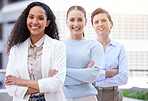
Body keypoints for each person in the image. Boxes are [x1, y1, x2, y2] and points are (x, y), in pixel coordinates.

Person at [4, 2, 67, 101]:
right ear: (26, 20)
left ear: (47, 23)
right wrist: (45, 83)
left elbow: (57, 83)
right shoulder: (16, 50)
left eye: (40, 18)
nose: (35, 22)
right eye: (31, 17)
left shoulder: (58, 46)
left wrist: (21, 82)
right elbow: (10, 88)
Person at [62, 6, 104, 101]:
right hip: (62, 97)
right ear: (66, 22)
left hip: (87, 98)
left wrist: (64, 71)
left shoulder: (95, 46)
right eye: (72, 20)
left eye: (80, 20)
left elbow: (93, 75)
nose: (76, 24)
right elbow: (53, 77)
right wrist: (83, 78)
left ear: (85, 21)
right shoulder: (58, 45)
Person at [91, 8, 129, 101]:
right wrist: (110, 73)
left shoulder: (119, 48)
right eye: (96, 22)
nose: (100, 24)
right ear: (93, 26)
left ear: (110, 23)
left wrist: (97, 80)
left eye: (103, 20)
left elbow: (124, 78)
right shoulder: (89, 48)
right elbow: (87, 76)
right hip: (91, 95)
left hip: (113, 96)